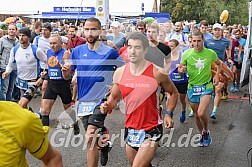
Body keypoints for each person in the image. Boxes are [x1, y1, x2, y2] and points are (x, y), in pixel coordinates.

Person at [100, 31, 178, 167]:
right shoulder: (120, 73)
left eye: (137, 47)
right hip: (131, 128)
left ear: (145, 50)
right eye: (130, 47)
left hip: (152, 127)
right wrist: (107, 106)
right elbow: (114, 98)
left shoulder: (157, 72)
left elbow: (173, 93)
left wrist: (168, 114)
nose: (132, 51)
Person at [61, 17, 125, 167]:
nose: (90, 32)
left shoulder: (110, 52)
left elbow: (125, 71)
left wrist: (115, 88)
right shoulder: (77, 51)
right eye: (87, 29)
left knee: (90, 137)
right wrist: (66, 72)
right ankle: (104, 144)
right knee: (94, 140)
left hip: (101, 100)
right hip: (83, 101)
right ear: (83, 30)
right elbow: (68, 76)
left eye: (93, 29)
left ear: (100, 31)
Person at [178, 31, 222, 146]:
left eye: (199, 41)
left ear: (203, 40)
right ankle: (202, 133)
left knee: (202, 113)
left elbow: (219, 64)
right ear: (191, 41)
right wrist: (181, 70)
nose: (196, 44)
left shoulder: (210, 53)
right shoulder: (186, 53)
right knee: (197, 115)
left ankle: (206, 131)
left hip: (206, 86)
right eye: (194, 41)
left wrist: (217, 75)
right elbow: (181, 68)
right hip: (192, 87)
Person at [0, 101, 63, 167]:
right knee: (44, 110)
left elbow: (51, 158)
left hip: (24, 118)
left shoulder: (21, 120)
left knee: (46, 110)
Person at [40, 34, 79, 135]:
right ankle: (44, 135)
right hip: (52, 83)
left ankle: (75, 124)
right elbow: (48, 65)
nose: (52, 46)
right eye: (51, 43)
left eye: (54, 43)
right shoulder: (48, 52)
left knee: (68, 110)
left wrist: (59, 65)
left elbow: (67, 67)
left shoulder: (65, 53)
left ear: (61, 44)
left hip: (63, 84)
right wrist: (44, 73)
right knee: (44, 111)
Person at [2, 27, 47, 99]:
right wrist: (7, 72)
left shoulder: (36, 50)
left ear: (28, 37)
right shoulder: (15, 50)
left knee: (22, 103)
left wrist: (42, 76)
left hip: (33, 83)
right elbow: (11, 64)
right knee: (24, 106)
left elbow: (47, 61)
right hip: (21, 82)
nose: (21, 38)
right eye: (20, 35)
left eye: (23, 35)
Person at [204, 23, 230, 119]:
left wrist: (229, 58)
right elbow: (204, 53)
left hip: (221, 66)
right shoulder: (207, 41)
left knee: (218, 89)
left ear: (221, 31)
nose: (217, 31)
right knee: (208, 89)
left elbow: (228, 50)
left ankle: (214, 111)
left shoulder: (226, 41)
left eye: (219, 30)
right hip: (209, 67)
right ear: (212, 31)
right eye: (215, 30)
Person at [168, 39, 189, 123]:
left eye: (171, 46)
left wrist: (182, 68)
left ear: (176, 47)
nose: (169, 48)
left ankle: (183, 111)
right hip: (171, 80)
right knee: (169, 98)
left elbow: (186, 68)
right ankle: (169, 115)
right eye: (168, 46)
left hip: (182, 80)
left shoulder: (182, 55)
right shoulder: (166, 56)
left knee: (182, 100)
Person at [0, 24, 19, 101]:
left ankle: (8, 105)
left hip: (14, 68)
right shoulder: (2, 40)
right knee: (4, 89)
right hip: (4, 67)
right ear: (7, 30)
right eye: (10, 29)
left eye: (13, 29)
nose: (11, 31)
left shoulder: (18, 42)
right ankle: (3, 106)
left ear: (16, 31)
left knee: (11, 89)